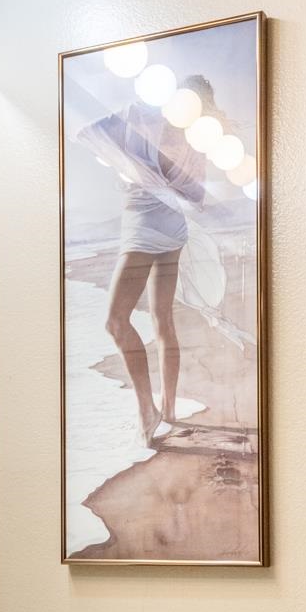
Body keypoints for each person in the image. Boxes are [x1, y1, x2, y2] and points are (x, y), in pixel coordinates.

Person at [78, 76, 214, 444]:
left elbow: (197, 195)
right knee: (160, 319)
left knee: (115, 320)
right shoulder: (142, 116)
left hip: (151, 226)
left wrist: (151, 179)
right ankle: (165, 410)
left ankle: (149, 410)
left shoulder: (190, 140)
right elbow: (91, 132)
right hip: (159, 225)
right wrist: (143, 172)